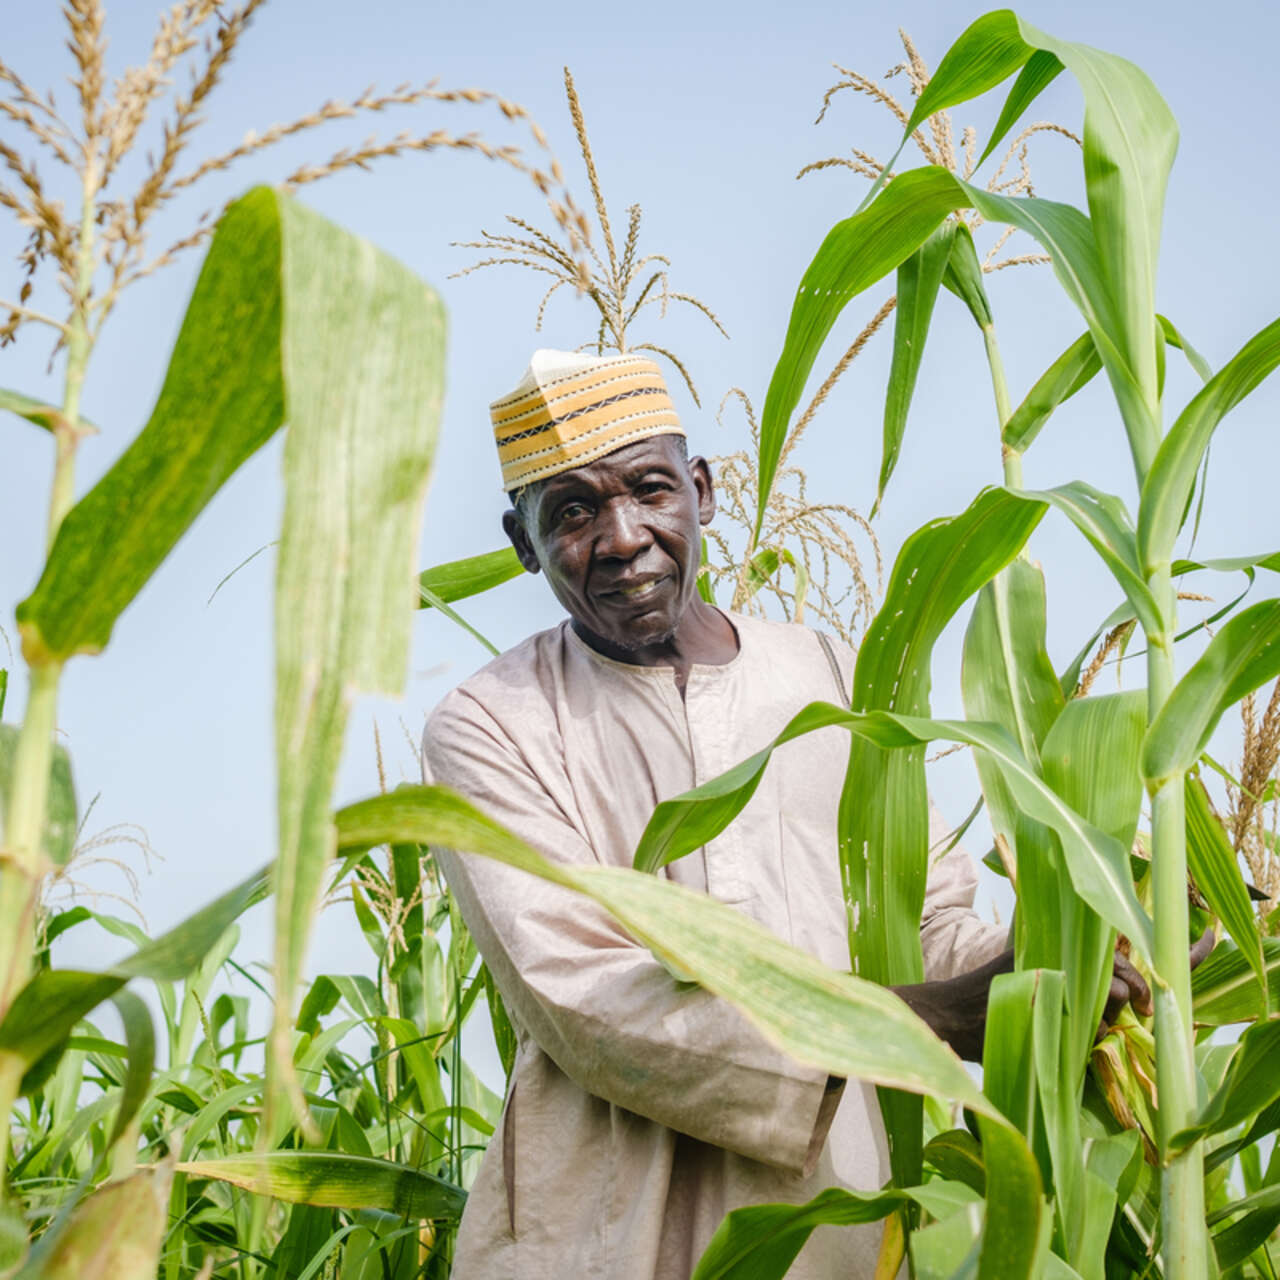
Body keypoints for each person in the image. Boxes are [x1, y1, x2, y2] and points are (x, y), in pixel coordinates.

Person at [420, 350, 1138, 1278]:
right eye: (571, 512)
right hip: (605, 1236)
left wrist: (1075, 957)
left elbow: (925, 920)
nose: (623, 536)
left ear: (704, 491)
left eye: (649, 489)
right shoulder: (489, 725)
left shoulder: (838, 678)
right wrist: (914, 1023)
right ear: (524, 545)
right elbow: (585, 1002)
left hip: (843, 1219)